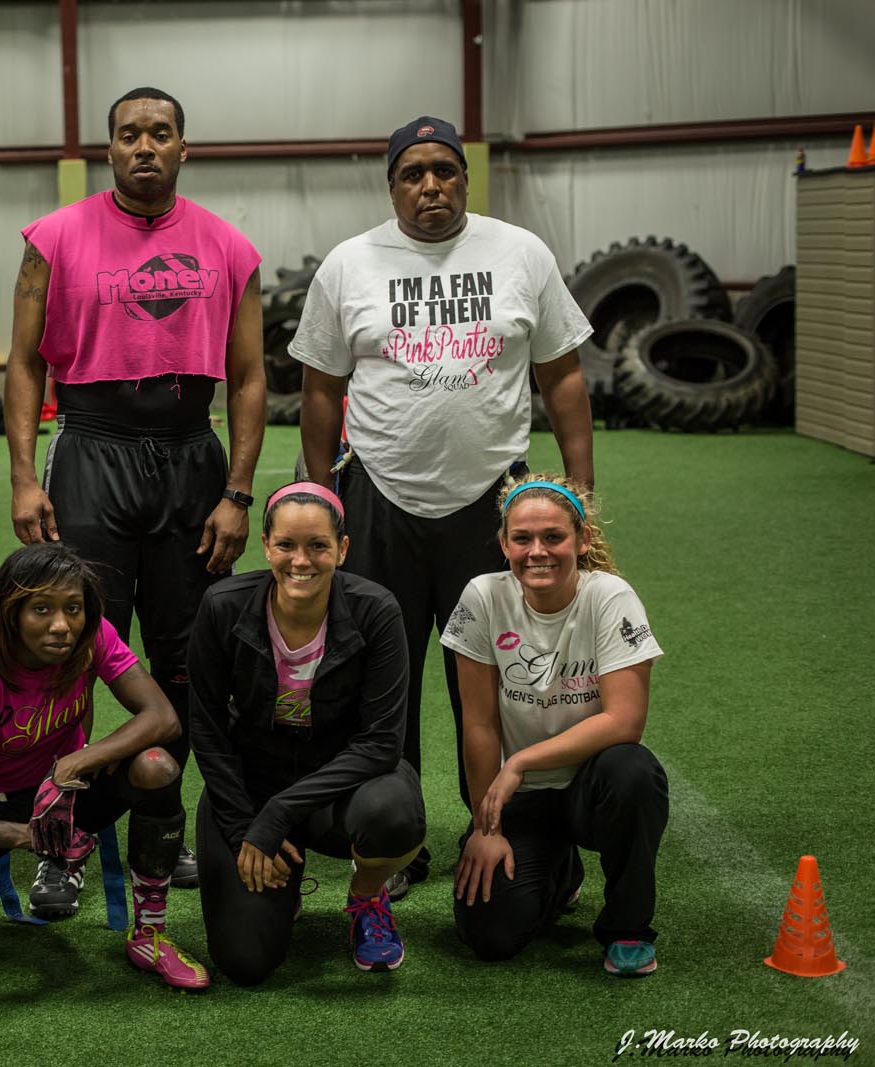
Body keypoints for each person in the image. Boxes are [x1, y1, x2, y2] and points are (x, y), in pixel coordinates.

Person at [291, 115, 595, 894]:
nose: (431, 186)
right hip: (380, 498)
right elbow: (320, 389)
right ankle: (394, 840)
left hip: (492, 503)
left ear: (465, 177)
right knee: (380, 679)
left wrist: (578, 494)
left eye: (445, 171)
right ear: (391, 185)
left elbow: (561, 375)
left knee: (499, 679)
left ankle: (503, 825)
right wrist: (318, 498)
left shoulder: (520, 253)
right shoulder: (349, 265)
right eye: (412, 174)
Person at [5, 86, 266, 904]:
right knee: (72, 648)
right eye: (128, 134)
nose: (144, 146)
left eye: (160, 133)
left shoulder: (230, 247)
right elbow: (24, 364)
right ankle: (64, 833)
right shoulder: (53, 238)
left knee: (188, 658)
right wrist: (23, 474)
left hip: (193, 459)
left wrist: (237, 492)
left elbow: (251, 378)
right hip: (91, 449)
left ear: (184, 147)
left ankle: (161, 820)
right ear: (109, 148)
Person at [0, 542, 210, 990]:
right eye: (41, 609)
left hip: (61, 789)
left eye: (73, 608)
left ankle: (149, 934)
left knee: (157, 767)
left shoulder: (90, 637)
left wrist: (77, 760)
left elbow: (163, 717)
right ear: (11, 614)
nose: (62, 625)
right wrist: (26, 836)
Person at [187, 483, 424, 985]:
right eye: (286, 545)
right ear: (266, 546)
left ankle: (366, 897)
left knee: (392, 813)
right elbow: (207, 729)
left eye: (318, 545)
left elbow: (382, 743)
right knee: (246, 962)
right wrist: (244, 826)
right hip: (253, 783)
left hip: (345, 783)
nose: (301, 560)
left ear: (342, 548)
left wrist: (278, 814)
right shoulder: (222, 605)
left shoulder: (375, 609)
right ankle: (283, 888)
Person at [440, 474, 667, 977]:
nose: (537, 551)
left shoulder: (610, 597)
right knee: (490, 935)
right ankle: (559, 871)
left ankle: (627, 928)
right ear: (504, 544)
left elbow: (624, 721)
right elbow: (479, 724)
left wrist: (520, 761)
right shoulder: (482, 597)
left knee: (634, 771)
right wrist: (487, 826)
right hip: (522, 800)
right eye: (522, 538)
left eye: (553, 537)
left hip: (591, 788)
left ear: (582, 540)